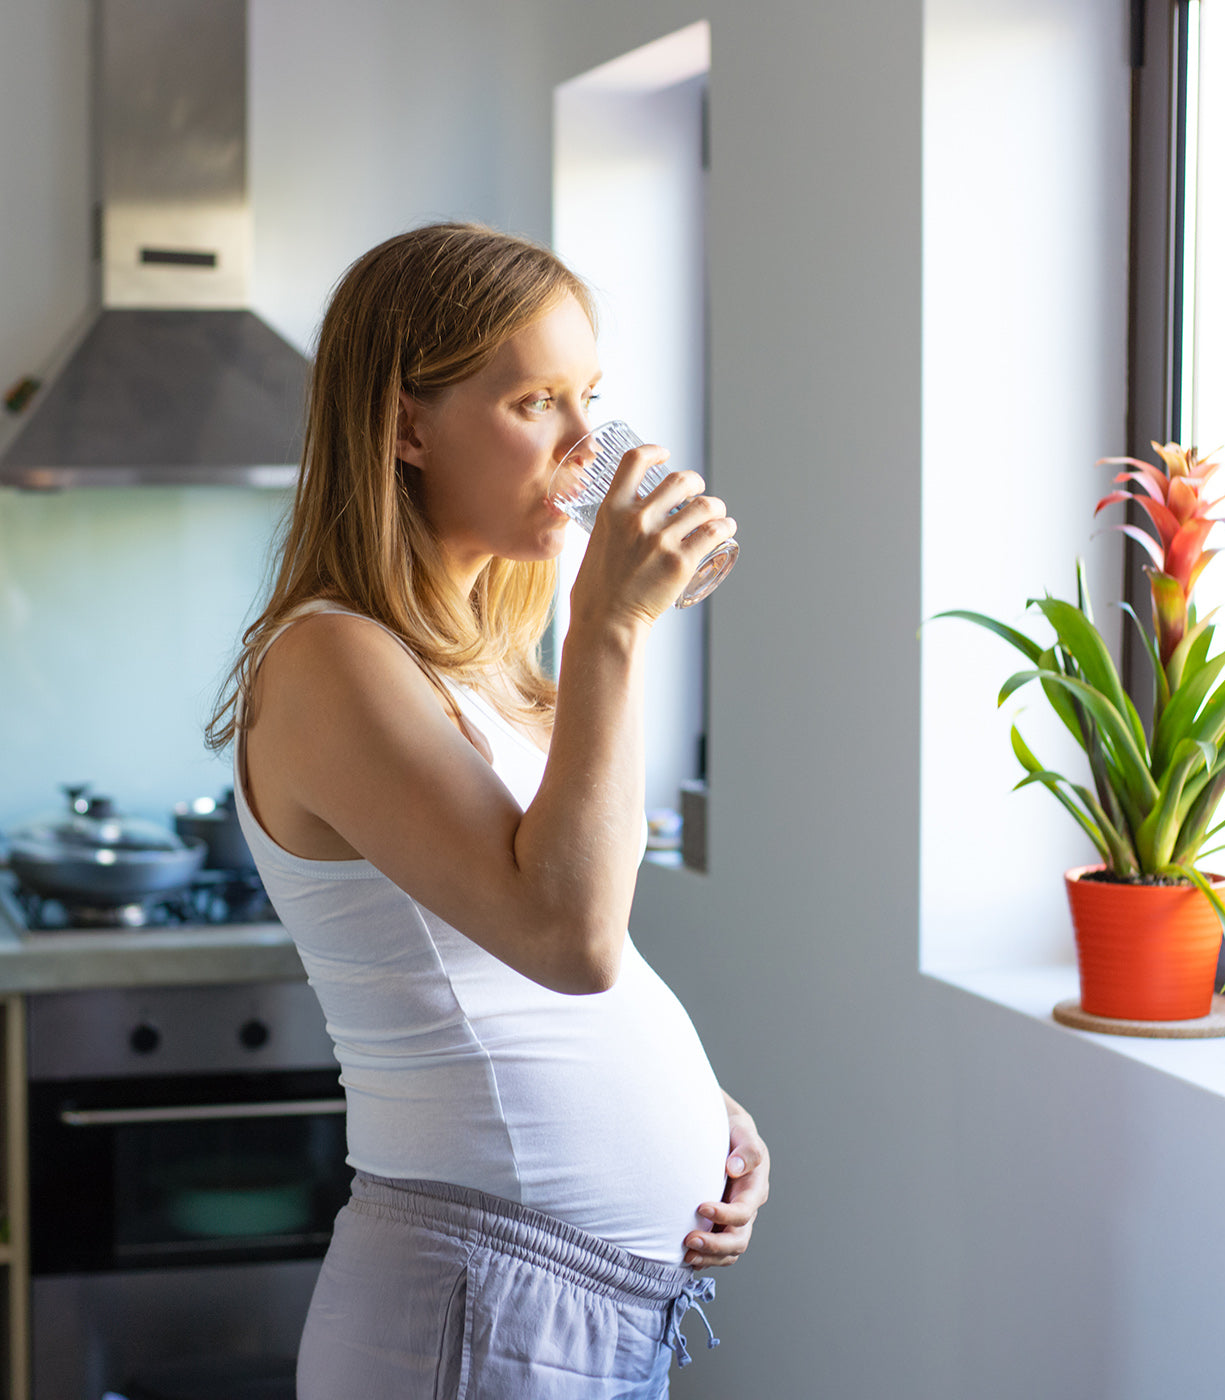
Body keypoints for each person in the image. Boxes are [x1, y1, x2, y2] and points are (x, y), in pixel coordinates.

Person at [207, 222, 769, 1399]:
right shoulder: (328, 660)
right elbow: (565, 938)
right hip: (473, 1305)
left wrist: (697, 1111)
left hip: (571, 1303)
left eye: (592, 398)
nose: (584, 447)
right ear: (407, 425)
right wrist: (612, 625)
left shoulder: (486, 669)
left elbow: (558, 943)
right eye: (537, 402)